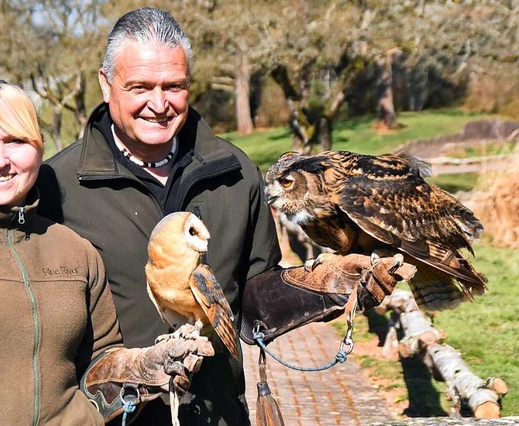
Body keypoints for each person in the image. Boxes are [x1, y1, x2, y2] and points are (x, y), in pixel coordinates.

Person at [37, 7, 413, 425]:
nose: (158, 104)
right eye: (140, 86)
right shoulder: (58, 187)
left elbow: (252, 301)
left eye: (174, 86)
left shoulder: (234, 172)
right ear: (107, 85)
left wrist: (327, 285)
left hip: (220, 414)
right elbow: (42, 336)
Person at [0, 79, 214, 425]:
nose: (0, 160)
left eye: (15, 141)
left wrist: (141, 369)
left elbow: (100, 361)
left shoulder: (75, 252)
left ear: (38, 149)